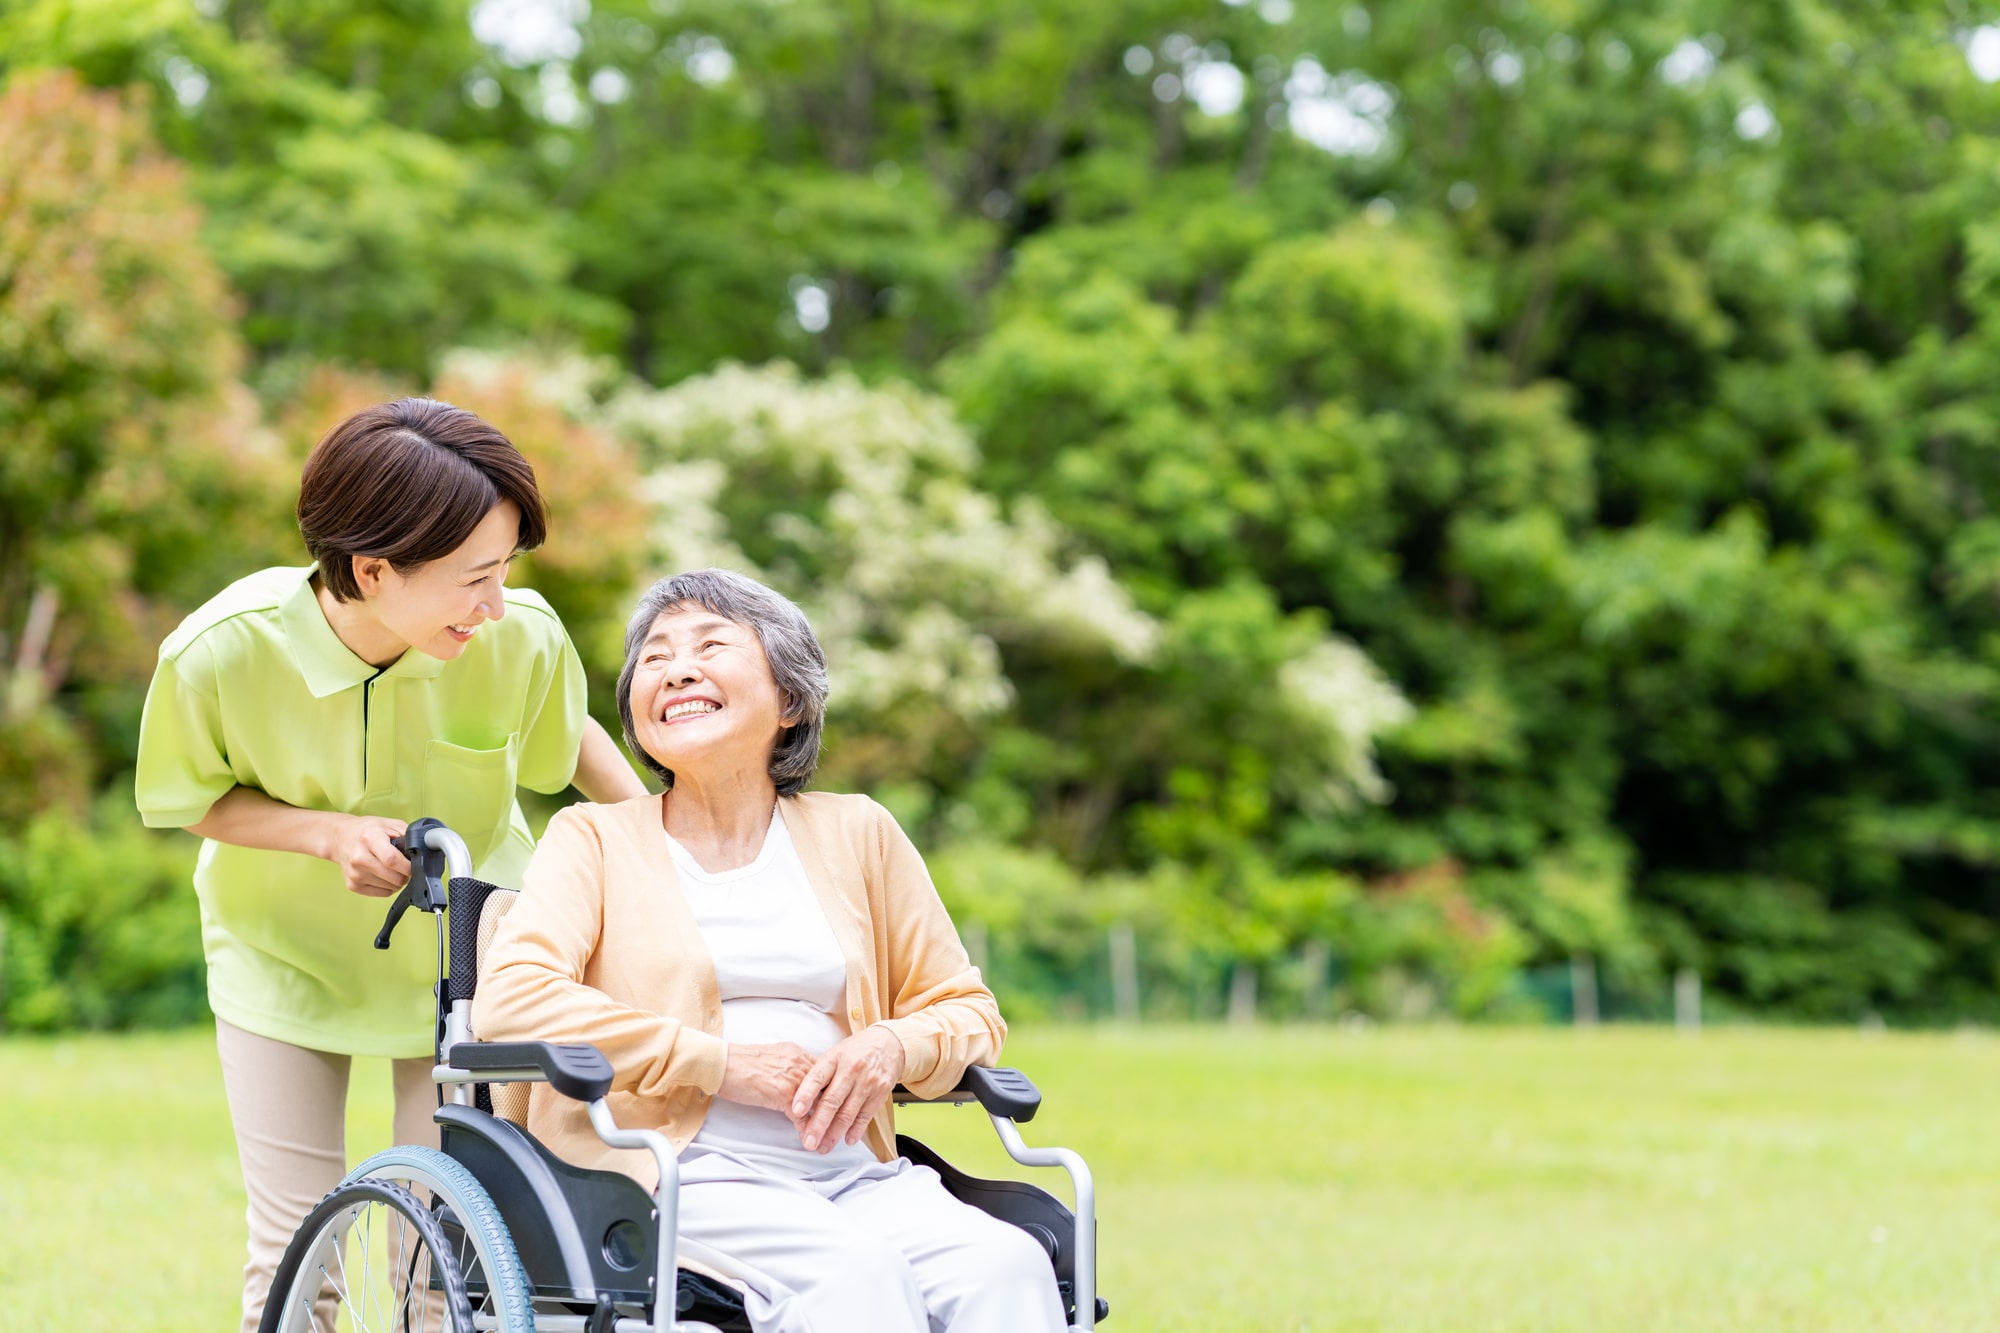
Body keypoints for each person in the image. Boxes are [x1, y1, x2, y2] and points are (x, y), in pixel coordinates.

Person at [133, 398, 649, 1333]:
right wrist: (326, 833)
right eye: (473, 577)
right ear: (373, 569)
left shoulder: (515, 635)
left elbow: (565, 740)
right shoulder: (219, 653)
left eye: (504, 572)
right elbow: (186, 797)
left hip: (464, 954)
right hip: (281, 953)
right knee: (297, 1249)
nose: (496, 603)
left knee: (442, 1247)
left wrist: (674, 851)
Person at [472, 568, 1066, 1333]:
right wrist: (721, 1061)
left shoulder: (859, 831)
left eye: (711, 645)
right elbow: (513, 998)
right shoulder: (593, 839)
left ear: (789, 700)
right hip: (673, 1170)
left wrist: (891, 1044)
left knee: (1006, 1268)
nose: (676, 667)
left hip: (853, 1174)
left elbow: (966, 1008)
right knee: (854, 1278)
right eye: (653, 657)